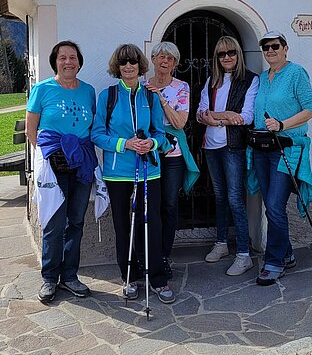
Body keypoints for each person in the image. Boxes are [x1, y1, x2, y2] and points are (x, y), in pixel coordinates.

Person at [91, 43, 175, 304]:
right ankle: (129, 277)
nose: (128, 66)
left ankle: (158, 279)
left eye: (133, 62)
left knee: (151, 224)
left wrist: (152, 143)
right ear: (117, 67)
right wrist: (124, 144)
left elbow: (161, 134)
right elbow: (97, 134)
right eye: (124, 63)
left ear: (140, 66)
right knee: (122, 225)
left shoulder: (150, 96)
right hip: (118, 173)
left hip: (148, 170)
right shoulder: (109, 96)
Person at [26, 40, 97, 303]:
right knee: (54, 223)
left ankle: (70, 276)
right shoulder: (43, 89)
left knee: (76, 221)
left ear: (79, 61)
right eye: (62, 58)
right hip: (54, 166)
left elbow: (91, 128)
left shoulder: (89, 91)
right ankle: (49, 278)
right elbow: (31, 130)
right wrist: (48, 158)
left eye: (73, 57)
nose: (68, 62)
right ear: (55, 62)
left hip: (80, 165)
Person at [251, 31, 312, 286]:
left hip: (285, 148)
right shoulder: (263, 79)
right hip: (261, 148)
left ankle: (274, 262)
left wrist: (282, 124)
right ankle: (286, 253)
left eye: (275, 46)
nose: (270, 50)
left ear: (285, 48)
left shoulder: (296, 73)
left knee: (276, 206)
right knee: (270, 205)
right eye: (265, 47)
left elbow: (310, 108)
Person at [197, 36, 259, 276]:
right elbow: (201, 113)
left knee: (235, 198)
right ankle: (222, 243)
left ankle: (244, 254)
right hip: (211, 147)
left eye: (231, 52)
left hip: (233, 146)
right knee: (220, 196)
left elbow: (246, 116)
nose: (226, 57)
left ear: (239, 53)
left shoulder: (249, 80)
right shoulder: (212, 81)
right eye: (221, 54)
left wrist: (216, 116)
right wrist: (225, 115)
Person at [145, 41, 199, 279]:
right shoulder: (143, 86)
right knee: (150, 205)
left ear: (175, 64)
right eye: (160, 57)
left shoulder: (181, 87)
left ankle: (164, 254)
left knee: (168, 205)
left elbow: (179, 123)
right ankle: (149, 253)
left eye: (170, 58)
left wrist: (162, 100)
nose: (164, 61)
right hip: (150, 153)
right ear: (153, 60)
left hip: (173, 155)